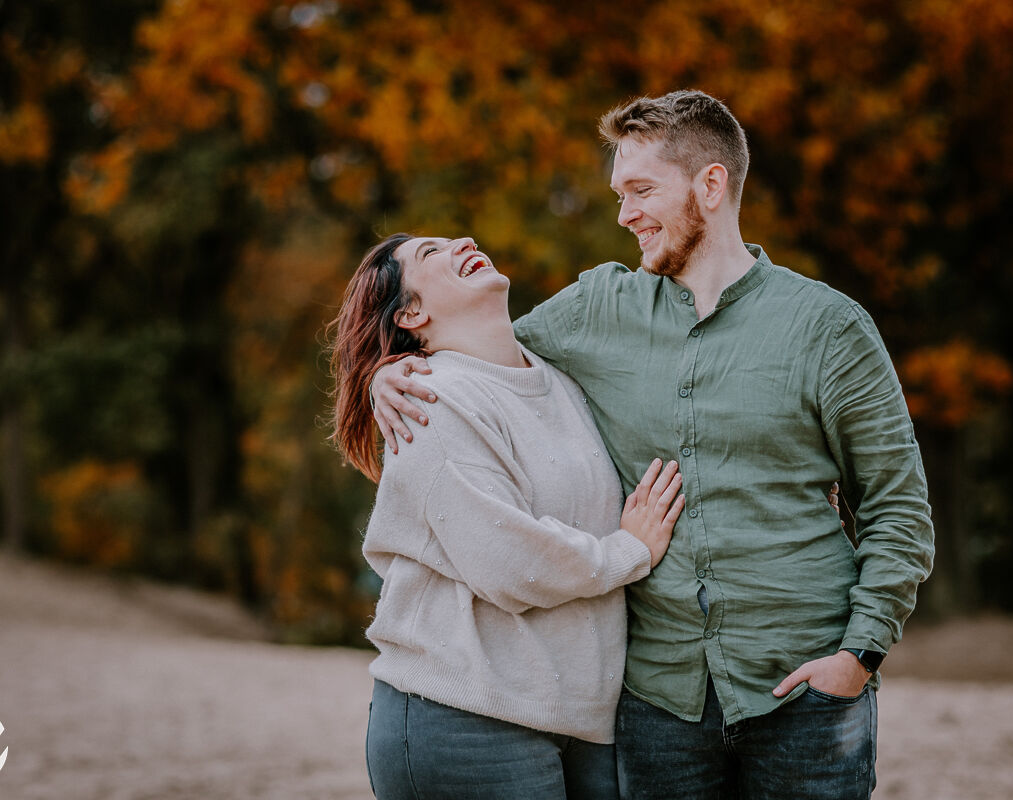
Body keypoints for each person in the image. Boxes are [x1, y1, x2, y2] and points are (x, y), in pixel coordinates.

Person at [370, 90, 935, 799]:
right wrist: (387, 373)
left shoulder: (829, 328)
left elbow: (898, 508)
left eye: (641, 190)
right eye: (617, 194)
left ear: (711, 183)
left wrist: (858, 655)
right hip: (657, 702)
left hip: (805, 691)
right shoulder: (597, 309)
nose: (623, 214)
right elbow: (478, 356)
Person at [329, 232, 688, 799]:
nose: (462, 242)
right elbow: (509, 561)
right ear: (412, 312)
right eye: (430, 254)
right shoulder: (431, 401)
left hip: (579, 719)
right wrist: (631, 549)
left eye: (452, 238)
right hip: (463, 717)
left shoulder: (562, 382)